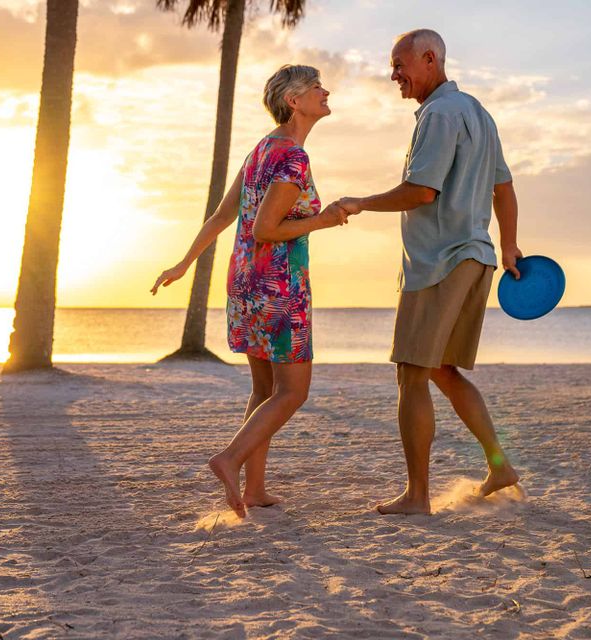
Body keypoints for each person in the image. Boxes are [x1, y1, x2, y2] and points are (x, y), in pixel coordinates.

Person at [333, 29, 522, 515]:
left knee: (411, 374)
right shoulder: (478, 111)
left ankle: (417, 496)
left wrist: (359, 202)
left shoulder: (439, 114)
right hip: (475, 256)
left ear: (430, 59)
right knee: (442, 368)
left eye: (399, 65)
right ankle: (498, 465)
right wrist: (509, 247)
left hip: (440, 260)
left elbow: (420, 192)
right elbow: (504, 188)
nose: (393, 75)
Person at [152, 64, 350, 517]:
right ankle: (229, 458)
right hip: (279, 288)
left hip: (244, 282)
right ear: (294, 101)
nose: (325, 91)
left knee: (264, 389)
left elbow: (222, 216)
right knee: (293, 392)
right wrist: (325, 218)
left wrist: (185, 262)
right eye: (315, 87)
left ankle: (256, 488)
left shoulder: (260, 149)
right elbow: (265, 228)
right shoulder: (293, 158)